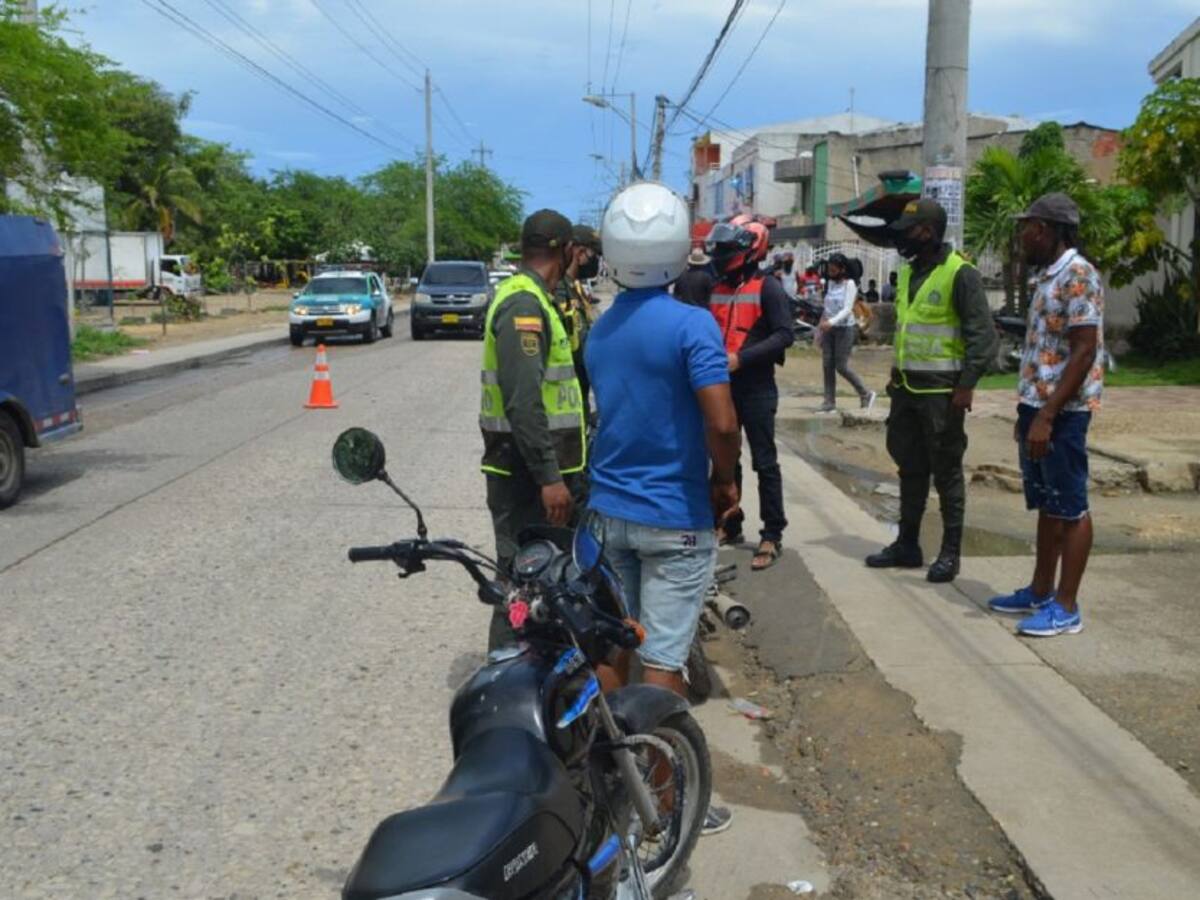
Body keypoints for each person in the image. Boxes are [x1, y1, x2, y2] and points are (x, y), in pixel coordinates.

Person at [587, 182, 740, 835]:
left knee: (615, 648)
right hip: (674, 517)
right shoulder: (691, 324)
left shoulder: (601, 330)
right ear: (679, 249)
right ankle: (666, 804)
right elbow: (722, 422)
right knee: (662, 661)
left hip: (608, 513)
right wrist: (725, 482)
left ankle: (603, 780)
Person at [988, 193, 1104, 637]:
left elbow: (1084, 349)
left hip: (1063, 413)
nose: (1024, 236)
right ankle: (1040, 591)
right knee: (1048, 504)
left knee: (1070, 507)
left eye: (1030, 228)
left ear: (1051, 230)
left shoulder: (1078, 275)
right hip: (1037, 406)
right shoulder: (1048, 276)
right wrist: (1030, 412)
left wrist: (1048, 415)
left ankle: (1066, 607)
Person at [865, 198, 997, 583]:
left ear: (928, 232)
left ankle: (950, 553)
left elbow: (982, 337)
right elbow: (908, 330)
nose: (902, 240)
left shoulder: (960, 273)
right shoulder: (908, 273)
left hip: (942, 393)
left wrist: (966, 387)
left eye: (908, 232)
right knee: (910, 468)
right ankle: (907, 544)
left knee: (947, 472)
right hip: (906, 388)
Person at [480, 209, 587, 650]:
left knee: (549, 583)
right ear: (566, 251)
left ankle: (542, 668)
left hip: (536, 472)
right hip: (526, 477)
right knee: (520, 585)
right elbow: (523, 402)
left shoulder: (538, 297)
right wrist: (549, 477)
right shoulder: (524, 304)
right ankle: (505, 672)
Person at [705, 219, 796, 570]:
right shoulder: (716, 287)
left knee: (764, 461)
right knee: (725, 458)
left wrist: (741, 359)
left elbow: (784, 335)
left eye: (727, 251)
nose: (720, 257)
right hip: (722, 386)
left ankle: (772, 533)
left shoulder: (768, 287)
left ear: (748, 251)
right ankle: (730, 523)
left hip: (756, 387)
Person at [818, 253, 875, 413]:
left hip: (845, 329)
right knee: (827, 365)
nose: (830, 272)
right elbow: (827, 307)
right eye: (829, 269)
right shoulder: (829, 283)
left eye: (833, 269)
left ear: (842, 269)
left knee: (841, 366)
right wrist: (822, 325)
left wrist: (831, 322)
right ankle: (829, 401)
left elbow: (847, 309)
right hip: (829, 329)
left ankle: (865, 393)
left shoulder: (849, 284)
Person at [554, 224, 601, 410]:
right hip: (564, 401)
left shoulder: (575, 288)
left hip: (578, 397)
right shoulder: (560, 290)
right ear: (580, 253)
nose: (594, 261)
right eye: (593, 255)